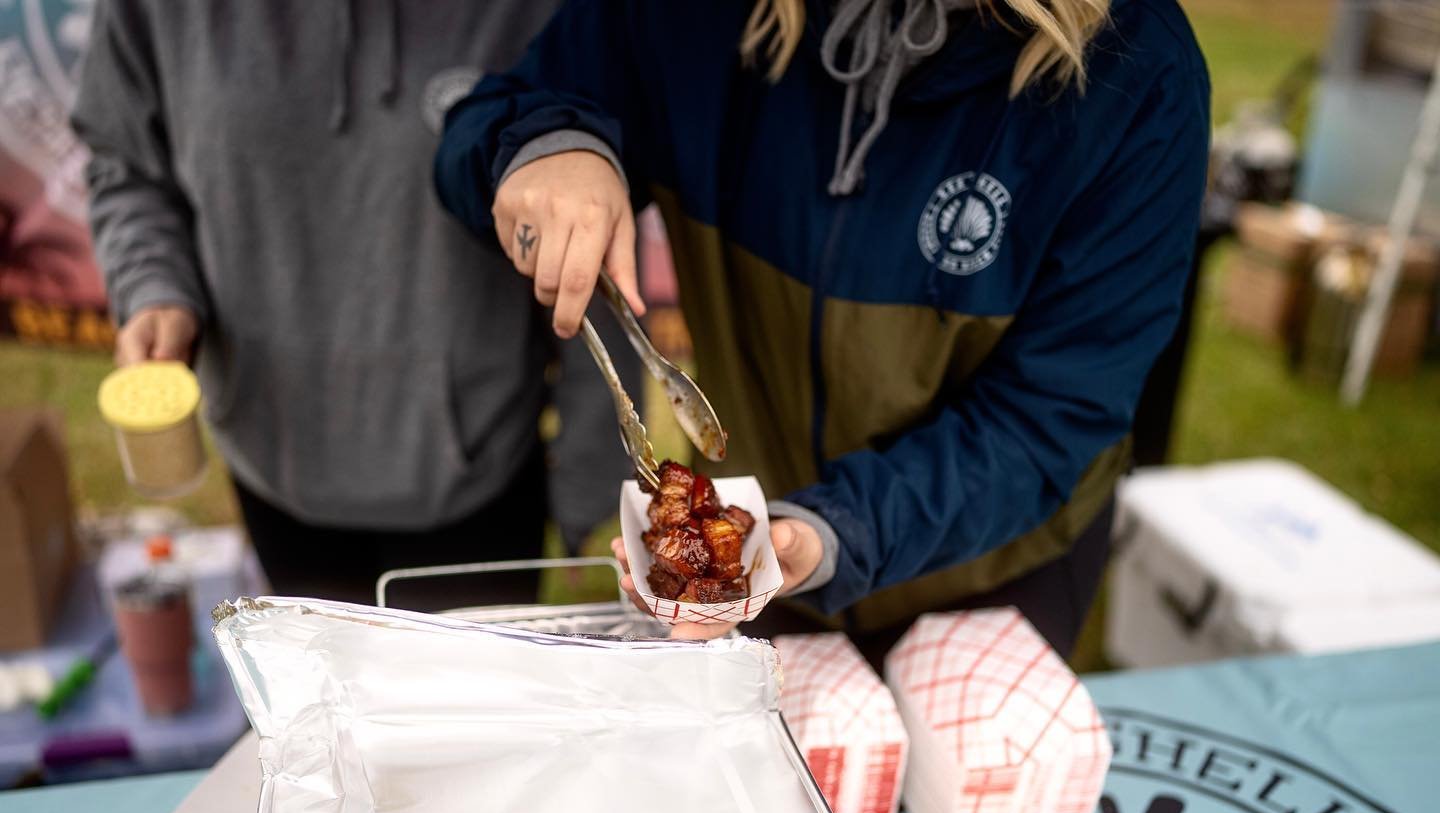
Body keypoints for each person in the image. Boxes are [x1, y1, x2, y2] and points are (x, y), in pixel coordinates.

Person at [435, 0, 1210, 660]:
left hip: (992, 570)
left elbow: (1050, 419)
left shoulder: (1137, 72)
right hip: (770, 556)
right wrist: (547, 147)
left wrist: (833, 529)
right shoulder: (683, 17)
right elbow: (491, 118)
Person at [71, 0, 641, 608]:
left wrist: (591, 480)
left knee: (463, 703)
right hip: (274, 461)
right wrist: (155, 287)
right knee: (317, 698)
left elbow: (586, 234)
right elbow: (127, 162)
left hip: (476, 475)